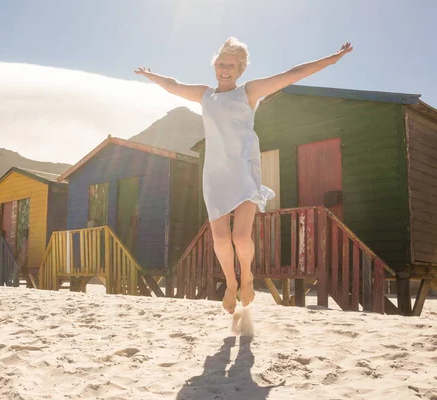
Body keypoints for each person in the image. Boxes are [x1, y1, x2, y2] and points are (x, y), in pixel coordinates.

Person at [135, 38, 353, 314]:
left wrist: (332, 58)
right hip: (215, 175)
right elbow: (174, 85)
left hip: (243, 171)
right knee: (221, 239)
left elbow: (292, 74)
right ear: (215, 66)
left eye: (232, 65)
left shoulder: (248, 92)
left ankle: (247, 276)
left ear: (240, 70)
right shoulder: (206, 95)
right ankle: (230, 283)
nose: (225, 69)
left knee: (240, 237)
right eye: (221, 64)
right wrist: (149, 75)